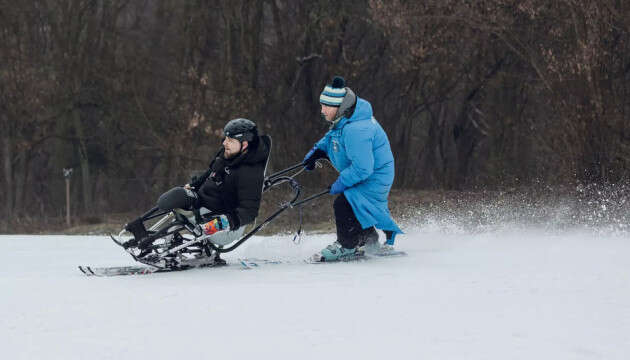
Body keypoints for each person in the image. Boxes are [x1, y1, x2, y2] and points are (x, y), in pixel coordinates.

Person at [132, 118, 270, 252]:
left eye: (230, 140)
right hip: (203, 201)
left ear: (244, 144)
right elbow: (209, 174)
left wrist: (224, 222)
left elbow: (249, 211)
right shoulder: (228, 154)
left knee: (177, 201)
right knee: (171, 198)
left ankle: (161, 243)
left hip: (221, 219)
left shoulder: (250, 173)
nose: (224, 143)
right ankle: (142, 231)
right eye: (226, 139)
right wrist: (193, 186)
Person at [303, 76, 402, 261]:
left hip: (375, 176)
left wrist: (340, 183)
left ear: (339, 107)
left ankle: (347, 245)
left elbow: (363, 168)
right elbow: (332, 137)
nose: (322, 110)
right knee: (354, 204)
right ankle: (367, 237)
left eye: (326, 106)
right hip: (369, 173)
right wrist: (317, 151)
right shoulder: (346, 119)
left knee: (344, 203)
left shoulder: (357, 129)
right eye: (322, 105)